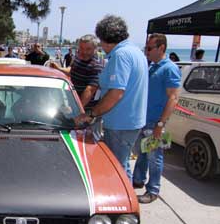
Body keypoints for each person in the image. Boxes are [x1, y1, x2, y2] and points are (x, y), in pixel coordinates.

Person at [79, 15, 148, 180]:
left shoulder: (120, 55)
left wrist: (92, 114)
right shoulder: (135, 51)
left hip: (120, 123)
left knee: (117, 170)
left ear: (105, 40)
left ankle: (125, 197)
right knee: (123, 165)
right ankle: (129, 191)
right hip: (131, 121)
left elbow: (116, 93)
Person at [132, 34, 181, 204]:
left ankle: (153, 190)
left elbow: (173, 98)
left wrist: (160, 124)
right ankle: (138, 179)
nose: (147, 51)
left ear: (161, 48)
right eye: (146, 47)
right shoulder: (153, 67)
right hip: (145, 119)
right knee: (142, 153)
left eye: (150, 48)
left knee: (154, 157)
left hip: (155, 121)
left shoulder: (169, 68)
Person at [50, 35, 104, 111]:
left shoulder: (96, 66)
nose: (84, 52)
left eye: (88, 49)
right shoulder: (77, 59)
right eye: (81, 48)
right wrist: (59, 68)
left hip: (85, 110)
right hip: (73, 104)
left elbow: (90, 90)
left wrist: (77, 110)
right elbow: (71, 71)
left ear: (95, 49)